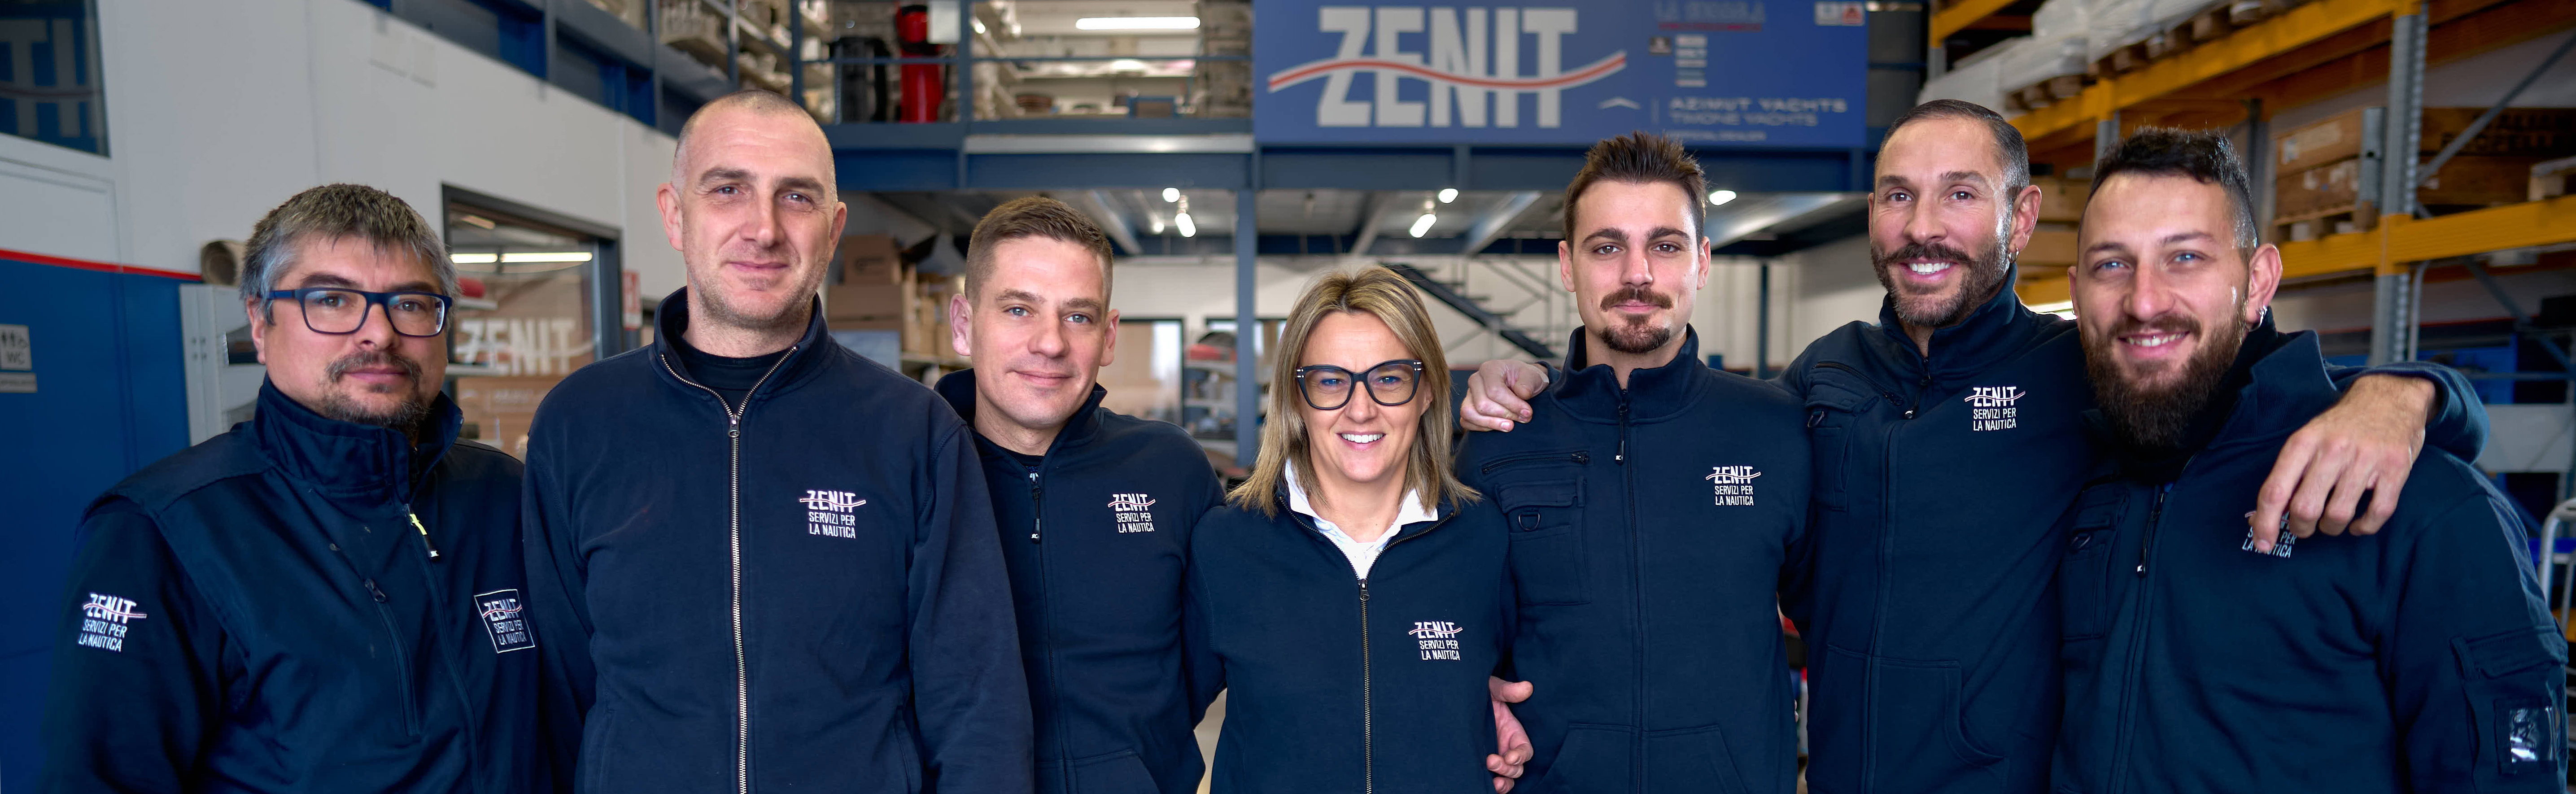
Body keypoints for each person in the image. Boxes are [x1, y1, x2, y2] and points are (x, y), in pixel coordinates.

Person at [1458, 106, 2484, 792]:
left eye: (1960, 193)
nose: (1924, 226)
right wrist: (1527, 383)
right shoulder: (1818, 382)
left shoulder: (2078, 370)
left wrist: (2412, 393)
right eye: (1898, 195)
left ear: (2021, 216)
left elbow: (2225, 383)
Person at [519, 89, 1031, 793]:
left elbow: (975, 701)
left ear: (834, 227)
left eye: (796, 197)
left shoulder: (913, 431)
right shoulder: (580, 423)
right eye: (727, 189)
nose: (763, 229)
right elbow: (558, 689)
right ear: (674, 213)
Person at [2054, 127, 2565, 791]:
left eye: (2185, 257)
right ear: (2076, 293)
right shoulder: (2076, 471)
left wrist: (2413, 393)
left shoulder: (2419, 504)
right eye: (2112, 265)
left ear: (2258, 281)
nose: (2144, 301)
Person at [36, 184, 550, 793]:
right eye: (331, 300)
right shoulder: (162, 532)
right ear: (260, 322)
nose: (379, 334)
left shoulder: (505, 495)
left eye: (411, 304)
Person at [1453, 132, 1816, 793]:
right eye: (1606, 247)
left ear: (1702, 262)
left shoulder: (1777, 431)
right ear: (1567, 266)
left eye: (1666, 246)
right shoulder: (1500, 440)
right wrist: (1469, 694)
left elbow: (1846, 624)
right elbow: (1450, 624)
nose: (1637, 273)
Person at [930, 196, 1227, 794]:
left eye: (1078, 317)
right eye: (1019, 309)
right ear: (964, 324)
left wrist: (1132, 759)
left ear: (1108, 336)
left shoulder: (1171, 469)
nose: (1050, 343)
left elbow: (1209, 651)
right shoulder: (916, 471)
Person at [1186, 265, 1515, 794]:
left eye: (1389, 379)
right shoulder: (1225, 545)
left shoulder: (1487, 539)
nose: (1360, 410)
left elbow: (1541, 687)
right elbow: (1156, 720)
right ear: (1296, 397)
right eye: (1331, 381)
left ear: (1428, 391)